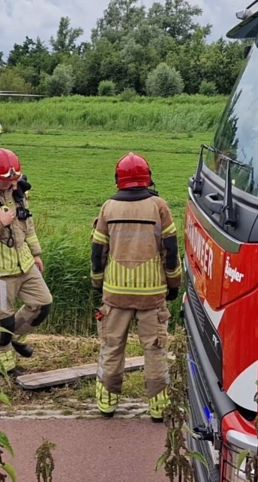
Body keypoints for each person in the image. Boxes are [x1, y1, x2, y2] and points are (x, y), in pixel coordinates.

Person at [90, 153, 181, 422]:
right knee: (154, 350)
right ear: (147, 177)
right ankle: (158, 408)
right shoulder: (159, 206)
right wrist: (173, 283)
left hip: (115, 295)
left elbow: (98, 252)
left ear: (119, 179)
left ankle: (106, 404)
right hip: (152, 295)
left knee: (112, 347)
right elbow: (171, 250)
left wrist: (98, 282)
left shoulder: (108, 207)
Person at [0, 148, 53, 377]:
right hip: (0, 273)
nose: (11, 184)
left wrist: (36, 254)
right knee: (3, 322)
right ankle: (7, 369)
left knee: (43, 304)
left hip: (25, 264)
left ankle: (18, 337)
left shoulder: (18, 193)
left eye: (13, 180)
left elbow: (28, 225)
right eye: (6, 181)